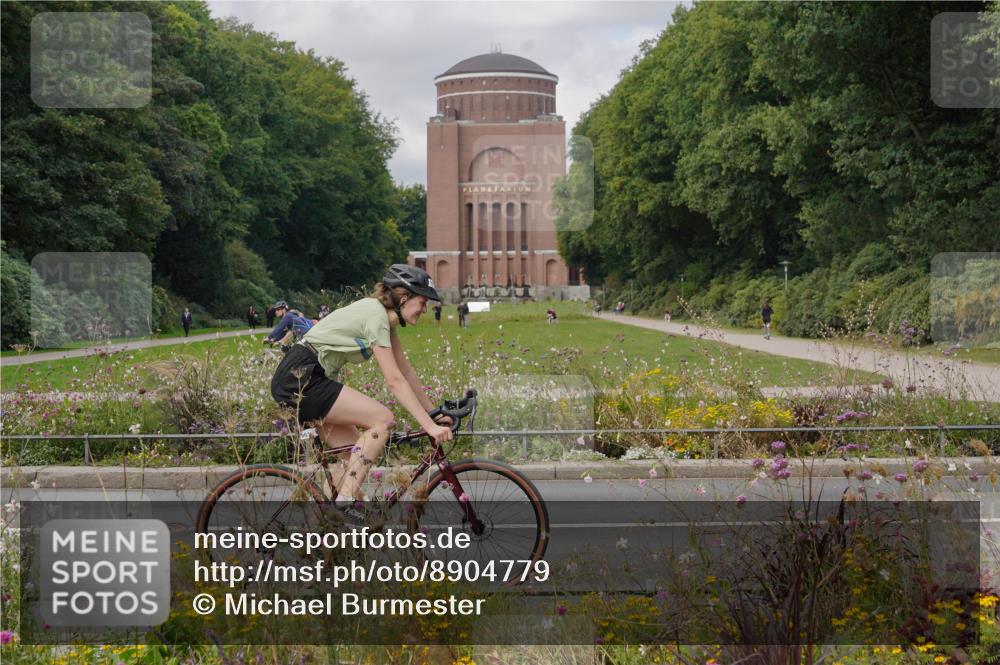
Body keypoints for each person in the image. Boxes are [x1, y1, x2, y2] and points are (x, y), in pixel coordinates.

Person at [269, 264, 453, 523]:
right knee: (383, 419)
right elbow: (394, 381)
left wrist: (433, 414)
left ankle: (318, 531)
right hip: (300, 376)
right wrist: (429, 427)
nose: (426, 309)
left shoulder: (384, 321)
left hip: (307, 376)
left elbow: (406, 371)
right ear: (404, 297)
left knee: (352, 458)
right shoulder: (375, 315)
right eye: (423, 301)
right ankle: (342, 506)